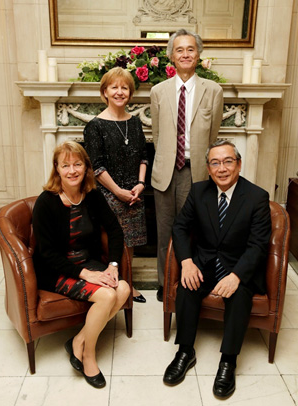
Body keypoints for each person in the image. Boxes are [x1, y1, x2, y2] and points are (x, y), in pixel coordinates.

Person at [163, 140, 272, 398]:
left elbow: (258, 245)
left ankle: (228, 360)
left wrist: (236, 276)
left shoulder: (257, 197)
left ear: (239, 164)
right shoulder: (199, 191)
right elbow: (179, 227)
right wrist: (187, 262)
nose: (222, 168)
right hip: (206, 261)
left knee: (239, 295)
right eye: (215, 163)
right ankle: (185, 351)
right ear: (208, 168)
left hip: (239, 265)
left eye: (227, 161)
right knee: (188, 287)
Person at [32, 141, 130, 389]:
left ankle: (77, 341)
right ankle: (88, 355)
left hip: (87, 261)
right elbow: (46, 253)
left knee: (124, 288)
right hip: (56, 270)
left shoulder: (93, 196)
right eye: (65, 165)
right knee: (107, 296)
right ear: (57, 169)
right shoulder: (46, 202)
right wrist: (86, 274)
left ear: (86, 167)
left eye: (77, 164)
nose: (72, 170)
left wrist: (113, 266)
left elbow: (115, 231)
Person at [150, 29, 224, 302]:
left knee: (196, 230)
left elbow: (214, 133)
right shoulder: (158, 91)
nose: (185, 54)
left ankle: (191, 280)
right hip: (166, 174)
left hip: (198, 172)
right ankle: (163, 281)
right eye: (179, 49)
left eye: (190, 49)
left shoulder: (213, 90)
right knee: (165, 230)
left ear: (198, 54)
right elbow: (156, 135)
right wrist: (169, 158)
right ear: (171, 56)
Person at [84, 67, 148, 303]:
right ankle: (116, 283)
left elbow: (143, 155)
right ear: (105, 92)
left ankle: (128, 284)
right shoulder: (95, 126)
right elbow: (96, 167)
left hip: (134, 192)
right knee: (116, 240)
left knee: (130, 243)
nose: (120, 92)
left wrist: (140, 184)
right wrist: (118, 192)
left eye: (124, 87)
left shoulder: (136, 123)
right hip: (107, 194)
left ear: (129, 93)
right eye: (114, 87)